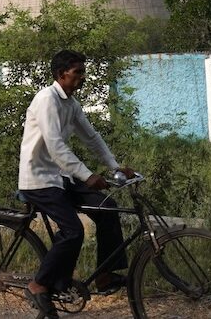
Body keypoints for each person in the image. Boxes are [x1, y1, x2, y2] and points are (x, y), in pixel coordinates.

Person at [17, 50, 137, 318]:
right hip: (38, 179)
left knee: (109, 207)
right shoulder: (46, 100)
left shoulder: (70, 104)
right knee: (73, 231)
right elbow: (55, 146)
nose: (83, 77)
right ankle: (39, 284)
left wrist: (114, 166)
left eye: (83, 72)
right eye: (78, 73)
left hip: (60, 178)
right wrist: (87, 175)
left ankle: (104, 276)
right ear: (62, 75)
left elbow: (91, 138)